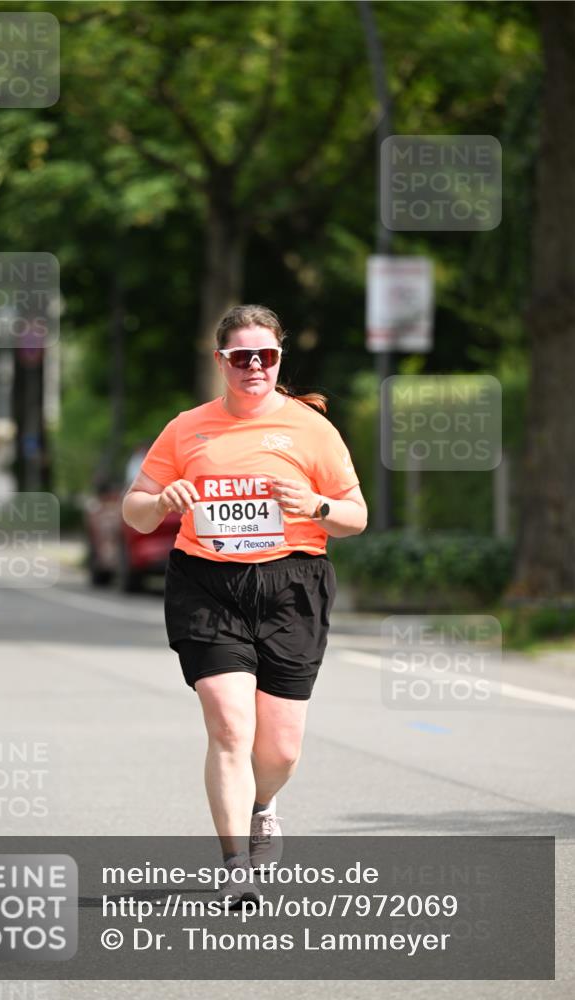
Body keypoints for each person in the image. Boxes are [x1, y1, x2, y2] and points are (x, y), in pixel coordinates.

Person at [122, 304, 367, 906]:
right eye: (241, 357)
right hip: (208, 584)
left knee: (279, 748)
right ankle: (235, 867)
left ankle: (263, 804)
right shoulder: (187, 428)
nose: (254, 366)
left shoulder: (312, 430)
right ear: (221, 362)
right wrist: (160, 504)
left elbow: (356, 517)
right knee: (230, 723)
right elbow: (135, 505)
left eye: (267, 356)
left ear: (280, 359)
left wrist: (315, 505)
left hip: (292, 586)